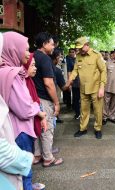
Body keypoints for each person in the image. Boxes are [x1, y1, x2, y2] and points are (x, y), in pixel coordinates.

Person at [0, 31, 47, 190]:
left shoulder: (11, 71)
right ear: (13, 50)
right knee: (22, 168)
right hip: (19, 130)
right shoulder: (11, 75)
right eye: (25, 49)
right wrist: (38, 109)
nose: (28, 54)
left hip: (16, 129)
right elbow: (24, 109)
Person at [32, 32, 63, 167]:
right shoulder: (45, 59)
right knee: (47, 128)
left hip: (34, 98)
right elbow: (49, 84)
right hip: (44, 99)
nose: (53, 46)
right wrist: (56, 103)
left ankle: (37, 154)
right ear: (44, 44)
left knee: (36, 127)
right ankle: (48, 158)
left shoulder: (33, 56)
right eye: (51, 44)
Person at [69, 37, 107, 139]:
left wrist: (102, 87)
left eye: (81, 47)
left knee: (98, 110)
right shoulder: (78, 57)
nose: (80, 50)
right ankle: (83, 129)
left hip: (96, 88)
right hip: (83, 88)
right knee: (83, 110)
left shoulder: (96, 55)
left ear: (87, 44)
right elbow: (75, 70)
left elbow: (103, 70)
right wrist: (70, 80)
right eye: (78, 48)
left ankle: (98, 129)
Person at [0, 95, 34, 190]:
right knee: (26, 175)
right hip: (21, 131)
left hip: (16, 132)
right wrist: (27, 159)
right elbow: (24, 111)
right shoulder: (14, 80)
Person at [66, 48, 80, 119]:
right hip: (74, 82)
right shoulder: (69, 61)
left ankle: (81, 113)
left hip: (82, 82)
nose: (72, 53)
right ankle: (77, 113)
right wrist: (69, 82)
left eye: (73, 52)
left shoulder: (81, 59)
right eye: (70, 52)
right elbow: (69, 72)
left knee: (83, 99)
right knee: (75, 98)